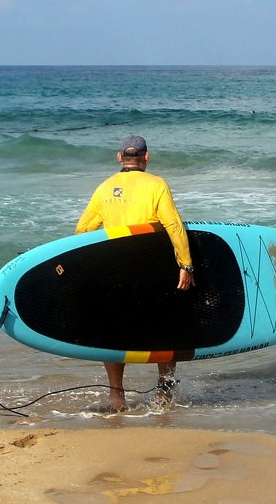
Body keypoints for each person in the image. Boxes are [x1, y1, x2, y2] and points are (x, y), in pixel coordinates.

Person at [75, 135, 195, 411]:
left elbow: (82, 231)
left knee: (114, 332)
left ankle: (117, 396)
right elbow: (174, 226)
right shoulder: (156, 185)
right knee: (163, 329)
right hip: (152, 270)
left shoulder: (104, 188)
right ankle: (164, 393)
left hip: (114, 271)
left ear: (120, 157)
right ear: (146, 157)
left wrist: (87, 266)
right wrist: (185, 265)